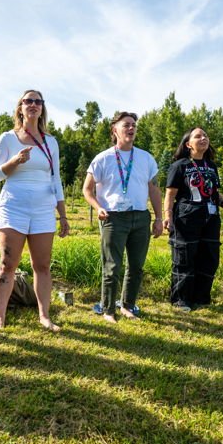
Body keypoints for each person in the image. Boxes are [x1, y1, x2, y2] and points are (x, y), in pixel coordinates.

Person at [0, 89, 69, 331]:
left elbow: (56, 179)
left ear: (42, 108)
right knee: (7, 264)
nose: (33, 104)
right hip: (13, 207)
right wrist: (15, 161)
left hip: (43, 210)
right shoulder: (7, 138)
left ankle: (44, 316)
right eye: (28, 101)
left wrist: (63, 215)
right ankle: (0, 318)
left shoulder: (51, 142)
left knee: (42, 266)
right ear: (20, 108)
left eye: (38, 101)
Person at [83, 112, 163, 323]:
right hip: (113, 217)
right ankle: (108, 310)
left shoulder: (146, 158)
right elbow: (87, 189)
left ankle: (127, 306)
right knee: (112, 266)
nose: (131, 128)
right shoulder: (103, 158)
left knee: (136, 266)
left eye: (134, 125)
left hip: (140, 217)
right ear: (114, 130)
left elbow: (154, 190)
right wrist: (98, 207)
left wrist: (158, 218)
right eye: (126, 125)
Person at [163, 128, 223, 311]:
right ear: (188, 144)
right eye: (198, 136)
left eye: (205, 136)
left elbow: (213, 192)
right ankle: (181, 300)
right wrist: (167, 215)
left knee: (209, 258)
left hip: (210, 219)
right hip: (186, 218)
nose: (203, 138)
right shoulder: (179, 166)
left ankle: (201, 299)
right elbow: (170, 194)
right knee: (184, 258)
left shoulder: (211, 166)